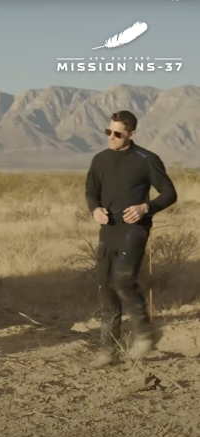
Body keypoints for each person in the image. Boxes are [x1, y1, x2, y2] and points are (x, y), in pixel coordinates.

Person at [84, 110, 177, 368]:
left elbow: (169, 193)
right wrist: (95, 209)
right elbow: (91, 192)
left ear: (131, 134)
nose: (111, 137)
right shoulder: (99, 160)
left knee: (123, 279)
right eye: (108, 131)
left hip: (134, 230)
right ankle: (108, 351)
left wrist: (145, 208)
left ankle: (146, 335)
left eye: (117, 133)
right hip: (108, 231)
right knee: (106, 288)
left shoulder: (146, 159)